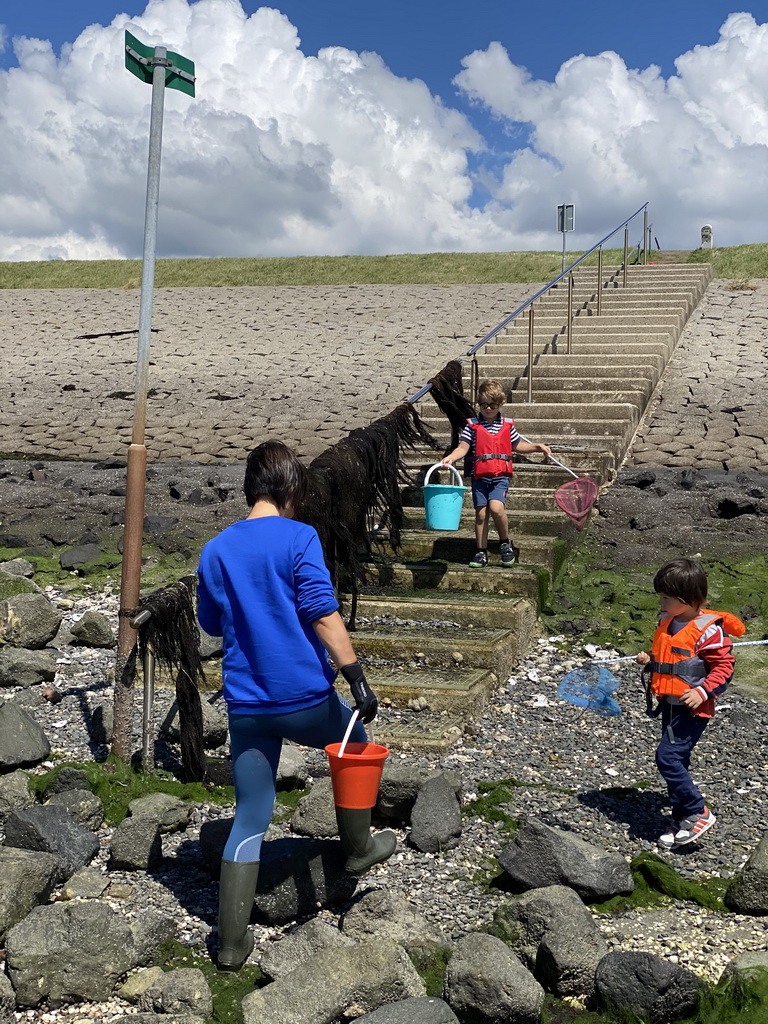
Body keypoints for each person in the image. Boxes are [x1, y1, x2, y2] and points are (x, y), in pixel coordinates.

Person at [196, 440, 396, 971]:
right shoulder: (299, 537)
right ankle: (358, 847)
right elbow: (322, 613)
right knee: (357, 746)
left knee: (251, 816)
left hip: (247, 704)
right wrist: (356, 676)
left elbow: (211, 623)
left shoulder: (215, 550)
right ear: (290, 489)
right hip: (304, 698)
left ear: (249, 488)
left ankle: (233, 946)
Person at [636, 558, 744, 850]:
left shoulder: (709, 630)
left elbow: (725, 668)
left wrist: (703, 692)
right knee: (677, 760)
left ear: (689, 599)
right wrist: (650, 658)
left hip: (693, 708)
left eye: (666, 597)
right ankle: (681, 818)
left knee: (667, 758)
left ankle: (698, 811)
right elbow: (671, 657)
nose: (661, 601)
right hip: (669, 703)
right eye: (661, 596)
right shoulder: (667, 621)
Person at [440, 378, 551, 568]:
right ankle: (481, 551)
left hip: (500, 476)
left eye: (492, 405)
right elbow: (463, 447)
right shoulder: (472, 426)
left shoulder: (507, 425)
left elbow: (517, 445)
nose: (488, 409)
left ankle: (505, 543)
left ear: (500, 404)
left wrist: (537, 447)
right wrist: (450, 458)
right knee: (481, 514)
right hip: (479, 477)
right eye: (484, 405)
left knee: (497, 508)